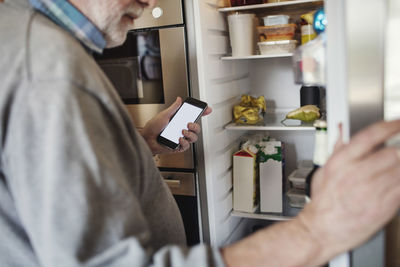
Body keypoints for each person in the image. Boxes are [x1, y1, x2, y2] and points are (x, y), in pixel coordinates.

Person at [1, 0, 400, 266]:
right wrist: (317, 230)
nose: (150, 0)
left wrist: (141, 143)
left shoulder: (19, 33)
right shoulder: (50, 68)